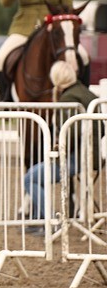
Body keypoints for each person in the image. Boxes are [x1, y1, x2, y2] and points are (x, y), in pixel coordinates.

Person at [22, 62, 99, 235]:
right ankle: (39, 219)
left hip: (75, 157)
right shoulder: (87, 93)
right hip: (89, 155)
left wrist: (58, 153)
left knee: (29, 179)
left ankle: (50, 221)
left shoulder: (69, 98)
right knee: (36, 176)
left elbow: (70, 132)